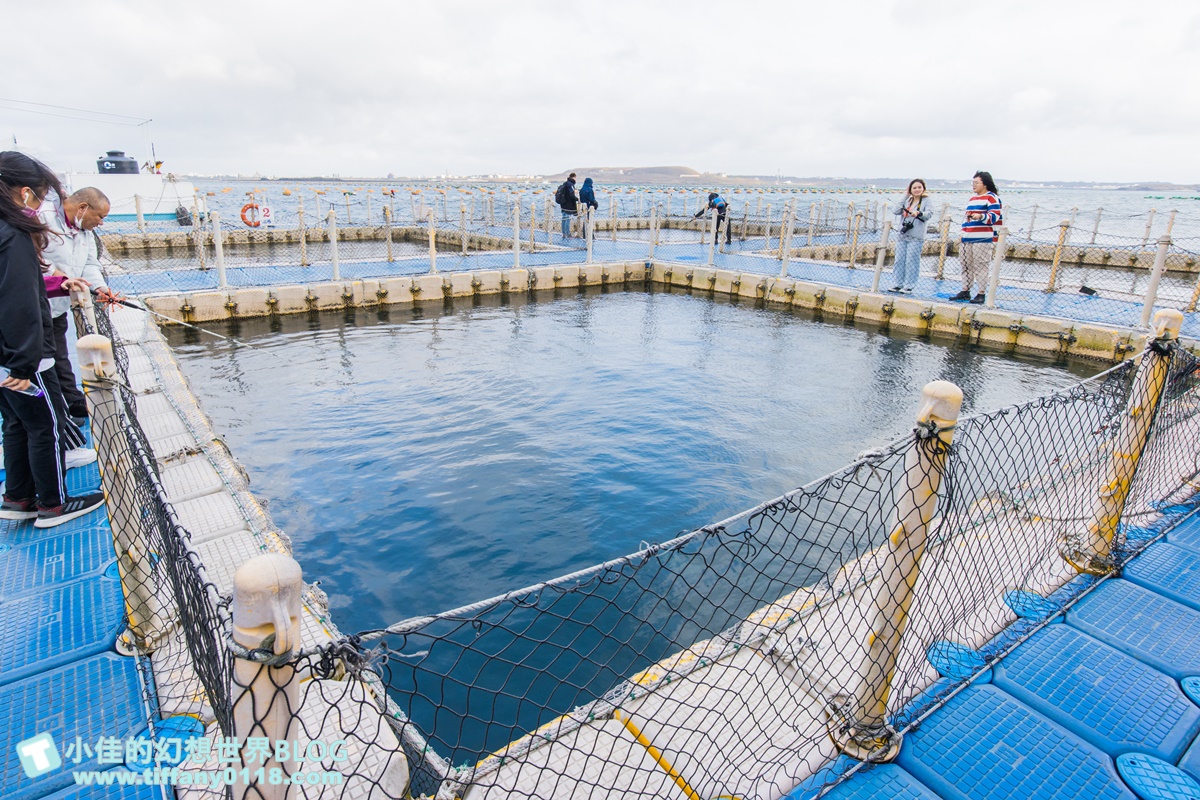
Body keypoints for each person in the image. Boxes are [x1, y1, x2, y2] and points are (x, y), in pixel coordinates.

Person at [0, 151, 105, 528]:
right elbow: (19, 302)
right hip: (24, 356)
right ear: (25, 193)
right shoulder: (14, 235)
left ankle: (18, 496)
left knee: (14, 422)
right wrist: (25, 363)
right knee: (43, 427)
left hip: (4, 356)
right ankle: (53, 505)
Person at [40, 187, 112, 422]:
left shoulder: (85, 232)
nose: (101, 223)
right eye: (100, 217)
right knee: (43, 359)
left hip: (59, 306)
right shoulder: (42, 219)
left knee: (59, 352)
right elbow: (31, 258)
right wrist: (60, 276)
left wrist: (99, 288)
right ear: (83, 208)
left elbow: (90, 263)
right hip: (34, 303)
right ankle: (56, 413)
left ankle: (72, 401)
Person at [952, 171, 1002, 303]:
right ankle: (965, 290)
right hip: (967, 237)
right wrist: (962, 233)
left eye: (976, 183)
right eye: (972, 183)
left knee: (981, 265)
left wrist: (981, 216)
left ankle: (981, 293)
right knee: (965, 264)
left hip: (983, 238)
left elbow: (995, 216)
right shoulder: (972, 198)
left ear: (985, 184)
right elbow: (966, 217)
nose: (973, 185)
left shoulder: (992, 198)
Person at [888, 179, 933, 294]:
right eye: (914, 188)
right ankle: (897, 284)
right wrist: (905, 196)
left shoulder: (926, 200)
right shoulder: (908, 200)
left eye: (919, 187)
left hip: (916, 235)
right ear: (910, 189)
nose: (917, 190)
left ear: (923, 188)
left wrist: (919, 213)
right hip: (903, 234)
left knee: (911, 261)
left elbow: (929, 214)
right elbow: (895, 210)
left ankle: (909, 285)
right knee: (899, 260)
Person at [555, 173, 578, 240]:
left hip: (563, 203)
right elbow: (571, 195)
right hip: (568, 204)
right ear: (574, 177)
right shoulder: (570, 185)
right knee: (567, 218)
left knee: (564, 218)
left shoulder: (565, 183)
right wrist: (577, 199)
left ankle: (564, 233)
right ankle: (567, 233)